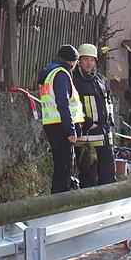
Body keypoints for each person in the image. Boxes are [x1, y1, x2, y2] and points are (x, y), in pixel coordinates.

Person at [38, 45, 85, 194]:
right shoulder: (61, 74)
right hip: (61, 126)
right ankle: (60, 203)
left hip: (51, 124)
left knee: (60, 166)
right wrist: (71, 131)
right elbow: (63, 103)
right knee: (64, 167)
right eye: (76, 62)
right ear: (72, 61)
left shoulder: (49, 73)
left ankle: (58, 200)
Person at [73, 43, 116, 188]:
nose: (89, 63)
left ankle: (109, 208)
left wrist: (110, 122)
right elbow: (72, 106)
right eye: (85, 59)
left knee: (108, 175)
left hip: (103, 136)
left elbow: (108, 101)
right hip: (86, 138)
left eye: (92, 60)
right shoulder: (74, 80)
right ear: (79, 60)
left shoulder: (99, 80)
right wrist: (87, 123)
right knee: (88, 177)